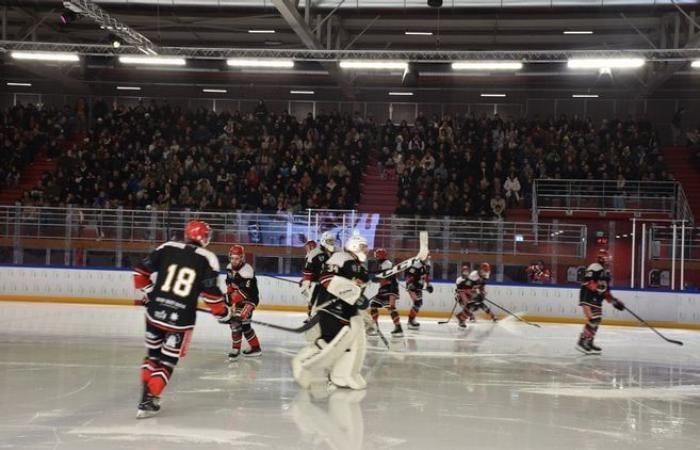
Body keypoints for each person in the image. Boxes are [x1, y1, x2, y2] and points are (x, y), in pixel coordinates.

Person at [132, 220, 232, 419]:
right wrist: (225, 315)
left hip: (155, 313)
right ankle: (149, 400)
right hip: (180, 319)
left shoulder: (167, 247)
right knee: (167, 360)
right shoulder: (207, 258)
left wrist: (150, 293)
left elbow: (140, 273)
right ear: (204, 238)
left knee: (152, 356)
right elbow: (211, 295)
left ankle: (145, 397)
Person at [292, 235, 371, 390]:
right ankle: (302, 363)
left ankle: (341, 376)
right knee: (331, 342)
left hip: (346, 310)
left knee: (347, 344)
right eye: (362, 247)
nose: (365, 250)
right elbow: (327, 280)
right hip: (330, 307)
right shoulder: (341, 257)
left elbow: (360, 286)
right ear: (354, 247)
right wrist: (353, 291)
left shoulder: (359, 265)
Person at [577, 249, 625, 355]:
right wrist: (597, 287)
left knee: (597, 320)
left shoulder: (606, 273)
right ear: (600, 259)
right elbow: (587, 281)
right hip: (588, 296)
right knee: (593, 319)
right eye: (605, 259)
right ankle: (582, 341)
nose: (607, 261)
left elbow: (606, 291)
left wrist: (614, 301)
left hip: (597, 298)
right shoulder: (595, 267)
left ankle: (589, 341)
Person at [226, 244, 262, 361]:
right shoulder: (229, 268)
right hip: (239, 300)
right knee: (245, 326)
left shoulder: (247, 271)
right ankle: (256, 348)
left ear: (242, 258)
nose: (234, 261)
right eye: (232, 258)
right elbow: (230, 285)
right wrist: (229, 300)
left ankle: (235, 349)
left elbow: (244, 293)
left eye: (237, 258)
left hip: (249, 300)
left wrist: (229, 300)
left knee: (236, 322)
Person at [368, 248, 403, 337]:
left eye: (377, 254)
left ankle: (398, 328)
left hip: (390, 289)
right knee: (374, 305)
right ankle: (376, 326)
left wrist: (374, 278)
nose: (376, 256)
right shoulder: (382, 263)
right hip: (384, 288)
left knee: (390, 308)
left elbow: (384, 279)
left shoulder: (387, 264)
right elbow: (381, 279)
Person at [300, 232, 335, 316]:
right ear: (323, 241)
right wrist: (306, 281)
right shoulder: (314, 254)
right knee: (313, 298)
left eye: (332, 241)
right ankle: (311, 315)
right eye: (329, 241)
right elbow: (308, 270)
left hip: (332, 282)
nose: (331, 243)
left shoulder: (336, 252)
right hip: (318, 282)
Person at [404, 256, 433, 329]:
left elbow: (426, 275)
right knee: (417, 303)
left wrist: (428, 284)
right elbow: (409, 276)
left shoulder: (427, 265)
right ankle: (410, 321)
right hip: (413, 287)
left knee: (419, 303)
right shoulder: (416, 265)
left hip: (419, 287)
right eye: (427, 258)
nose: (428, 259)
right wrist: (410, 284)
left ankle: (412, 319)